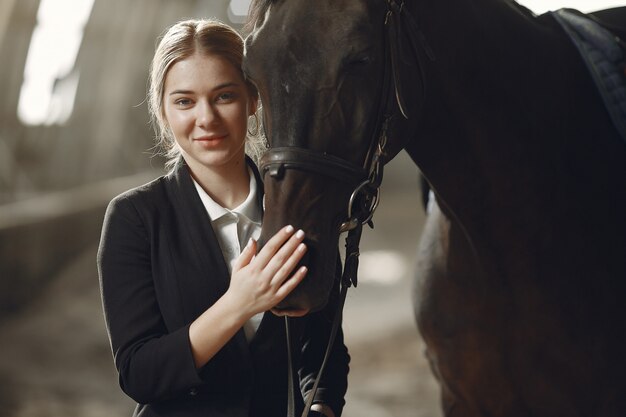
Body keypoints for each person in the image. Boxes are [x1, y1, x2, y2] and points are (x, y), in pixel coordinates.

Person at [97, 19, 349, 417]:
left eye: (224, 96)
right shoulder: (134, 218)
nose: (206, 118)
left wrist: (322, 406)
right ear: (162, 111)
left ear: (253, 100)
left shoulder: (301, 212)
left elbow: (324, 349)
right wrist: (240, 303)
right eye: (184, 101)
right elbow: (138, 373)